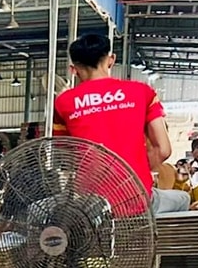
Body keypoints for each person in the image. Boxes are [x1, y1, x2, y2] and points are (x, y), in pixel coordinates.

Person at [52, 31, 180, 214]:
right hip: (138, 198)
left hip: (91, 207)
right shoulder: (142, 92)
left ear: (74, 69)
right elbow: (164, 149)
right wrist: (132, 174)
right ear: (111, 60)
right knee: (182, 199)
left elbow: (65, 154)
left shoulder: (63, 102)